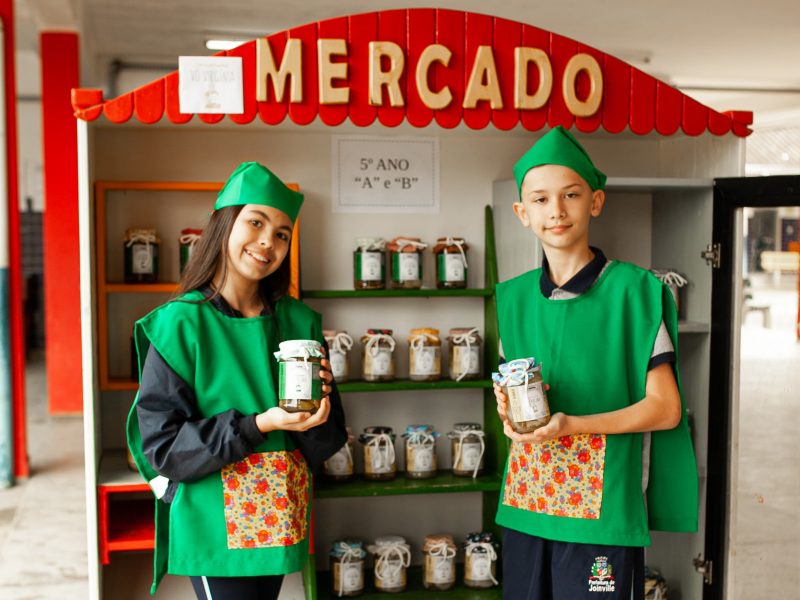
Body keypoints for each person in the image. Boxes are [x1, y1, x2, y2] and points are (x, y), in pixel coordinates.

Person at [493, 127, 698, 599]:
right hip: (529, 500)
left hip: (603, 509)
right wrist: (508, 411)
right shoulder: (513, 298)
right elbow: (512, 385)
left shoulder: (635, 293)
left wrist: (571, 425)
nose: (556, 211)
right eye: (540, 200)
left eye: (571, 195)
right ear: (523, 214)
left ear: (596, 202)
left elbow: (665, 408)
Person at [126, 161, 347, 599]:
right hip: (214, 520)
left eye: (282, 233)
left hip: (281, 515)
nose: (268, 241)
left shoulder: (298, 321)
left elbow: (328, 441)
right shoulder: (181, 325)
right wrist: (260, 423)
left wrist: (317, 414)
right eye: (256, 222)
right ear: (223, 226)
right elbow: (163, 447)